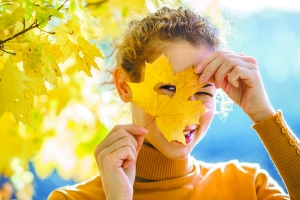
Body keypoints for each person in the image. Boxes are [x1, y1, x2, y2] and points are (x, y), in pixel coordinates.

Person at [48, 6, 300, 200]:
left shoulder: (248, 187)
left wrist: (263, 115)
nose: (187, 114)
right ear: (125, 86)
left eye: (203, 92)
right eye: (168, 88)